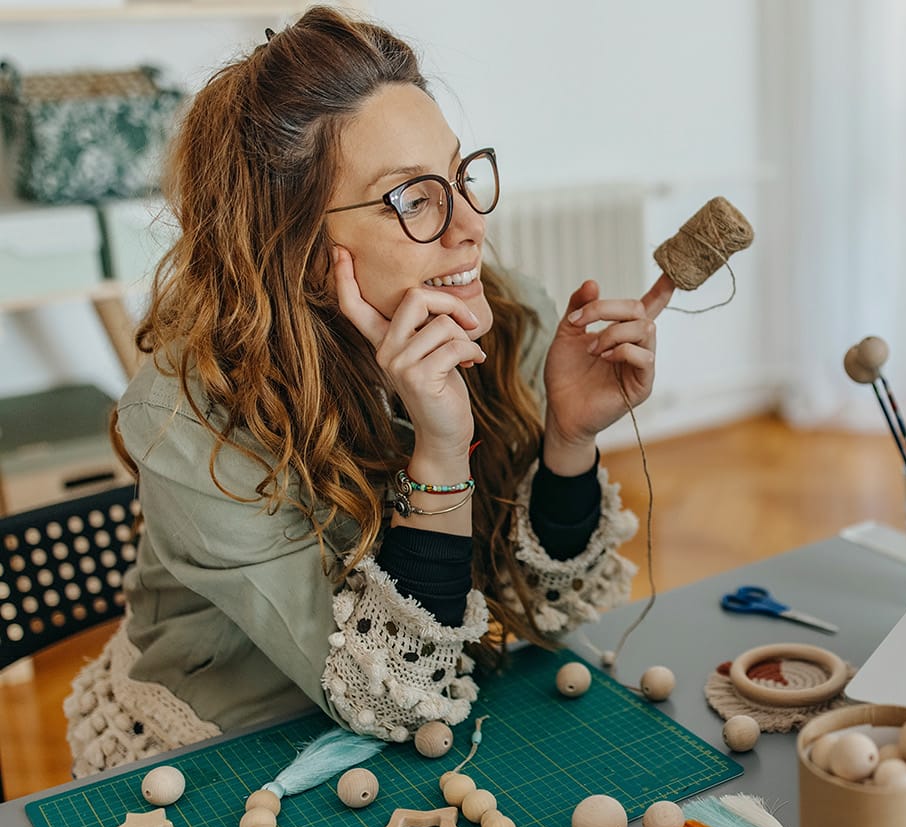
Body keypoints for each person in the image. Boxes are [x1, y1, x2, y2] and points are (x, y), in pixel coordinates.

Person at [63, 5, 670, 776]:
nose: (472, 225)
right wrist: (441, 448)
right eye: (414, 199)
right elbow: (394, 697)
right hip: (221, 745)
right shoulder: (186, 415)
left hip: (427, 714)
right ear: (302, 250)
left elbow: (551, 605)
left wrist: (570, 439)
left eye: (459, 177)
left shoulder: (505, 310)